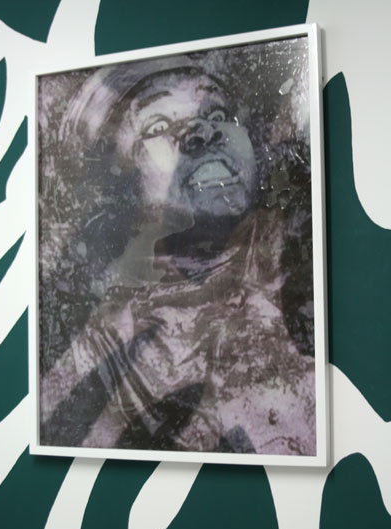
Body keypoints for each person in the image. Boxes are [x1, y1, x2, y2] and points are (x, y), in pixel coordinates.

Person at [38, 45, 316, 455]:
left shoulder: (307, 258)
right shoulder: (104, 345)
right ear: (123, 185)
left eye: (217, 114)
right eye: (157, 126)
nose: (202, 132)